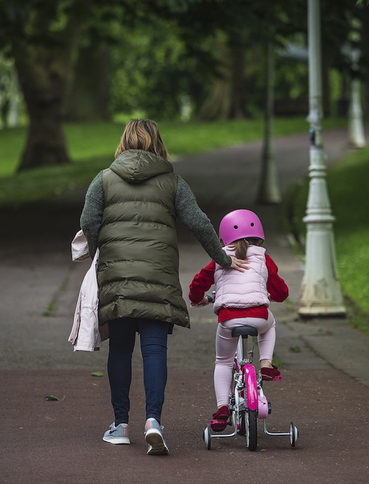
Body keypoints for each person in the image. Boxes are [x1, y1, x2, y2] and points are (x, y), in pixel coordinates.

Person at [79, 119, 247, 455]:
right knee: (155, 350)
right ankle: (154, 421)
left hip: (118, 278)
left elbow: (87, 221)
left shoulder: (105, 179)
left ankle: (121, 425)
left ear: (123, 142)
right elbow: (198, 221)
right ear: (158, 144)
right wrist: (224, 260)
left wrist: (101, 252)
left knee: (121, 349)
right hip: (159, 276)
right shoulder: (173, 181)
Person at [187, 209, 289, 432]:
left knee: (222, 361)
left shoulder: (218, 257)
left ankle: (222, 408)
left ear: (223, 237)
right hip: (259, 316)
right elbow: (281, 292)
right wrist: (269, 293)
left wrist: (199, 300)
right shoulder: (264, 257)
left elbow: (197, 284)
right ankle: (265, 363)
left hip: (228, 319)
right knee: (270, 324)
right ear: (259, 236)